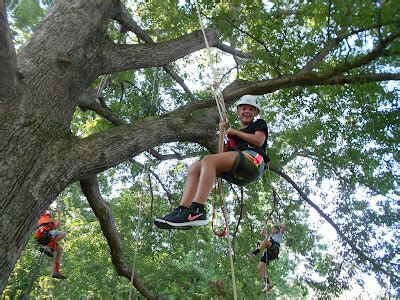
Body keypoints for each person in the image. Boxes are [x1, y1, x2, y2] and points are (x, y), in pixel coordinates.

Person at [154, 95, 269, 229]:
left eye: (251, 109)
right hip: (238, 172)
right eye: (244, 108)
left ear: (255, 113)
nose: (247, 111)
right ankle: (182, 210)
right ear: (238, 111)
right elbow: (221, 155)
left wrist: (236, 133)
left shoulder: (259, 124)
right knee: (196, 166)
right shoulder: (232, 134)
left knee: (208, 160)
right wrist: (222, 132)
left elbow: (259, 140)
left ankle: (197, 210)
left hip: (254, 161)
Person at [249, 223, 285, 292]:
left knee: (266, 241)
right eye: (272, 229)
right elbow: (261, 233)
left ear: (278, 230)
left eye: (274, 229)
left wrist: (279, 224)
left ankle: (255, 252)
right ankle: (267, 283)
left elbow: (283, 226)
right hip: (268, 253)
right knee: (259, 267)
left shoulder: (280, 234)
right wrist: (264, 224)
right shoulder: (270, 236)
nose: (273, 230)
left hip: (274, 249)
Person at [35, 208, 67, 279]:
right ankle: (48, 247)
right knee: (63, 234)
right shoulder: (43, 216)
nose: (50, 214)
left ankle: (56, 271)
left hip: (48, 238)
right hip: (44, 235)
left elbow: (58, 225)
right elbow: (46, 206)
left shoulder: (51, 223)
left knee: (60, 250)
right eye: (49, 213)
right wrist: (54, 210)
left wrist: (59, 214)